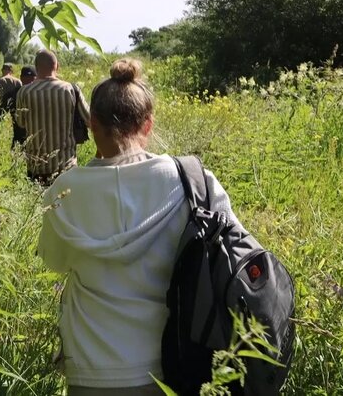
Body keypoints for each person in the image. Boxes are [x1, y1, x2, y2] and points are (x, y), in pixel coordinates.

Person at [37, 58, 239, 396]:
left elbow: (53, 261)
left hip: (89, 366)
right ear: (147, 125)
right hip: (172, 362)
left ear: (91, 123)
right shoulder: (192, 181)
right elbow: (232, 256)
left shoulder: (64, 190)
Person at [15, 49, 90, 184]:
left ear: (36, 69)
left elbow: (20, 122)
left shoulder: (24, 92)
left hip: (36, 169)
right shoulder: (71, 89)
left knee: (40, 205)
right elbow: (90, 119)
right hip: (66, 168)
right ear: (57, 66)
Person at [0, 66, 35, 148]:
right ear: (36, 78)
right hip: (38, 142)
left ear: (21, 78)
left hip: (18, 142)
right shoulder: (42, 93)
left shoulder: (13, 94)